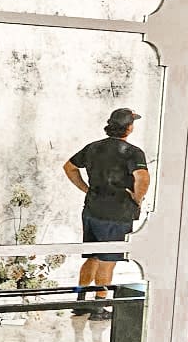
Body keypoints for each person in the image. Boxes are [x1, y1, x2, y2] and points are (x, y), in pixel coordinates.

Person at [63, 108, 149, 317]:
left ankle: (81, 301)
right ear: (129, 127)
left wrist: (86, 189)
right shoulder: (133, 152)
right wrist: (136, 199)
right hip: (117, 213)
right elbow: (142, 178)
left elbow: (69, 167)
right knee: (107, 260)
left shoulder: (92, 148)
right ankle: (99, 306)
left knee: (92, 256)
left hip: (92, 209)